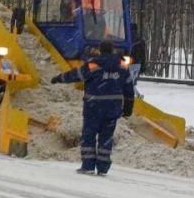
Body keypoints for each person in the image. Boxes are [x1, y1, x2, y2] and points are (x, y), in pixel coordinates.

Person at [50, 40, 135, 176]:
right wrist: (128, 107)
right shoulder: (122, 66)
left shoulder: (93, 65)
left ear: (100, 51)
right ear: (113, 50)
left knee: (89, 137)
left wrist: (58, 78)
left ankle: (88, 166)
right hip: (112, 109)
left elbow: (75, 75)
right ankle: (102, 168)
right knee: (106, 139)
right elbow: (129, 88)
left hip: (93, 108)